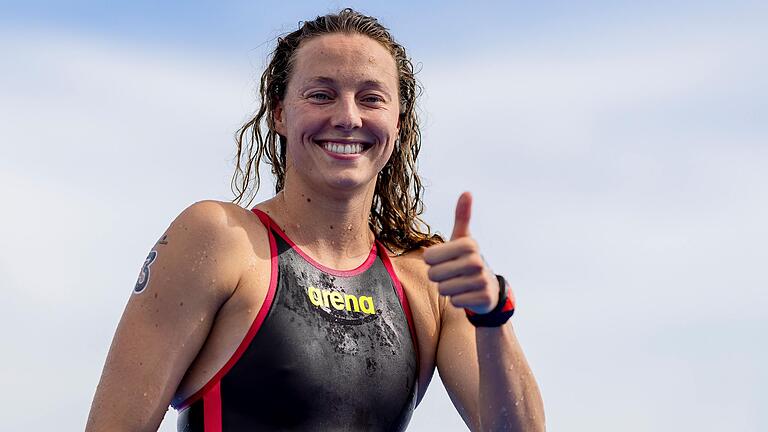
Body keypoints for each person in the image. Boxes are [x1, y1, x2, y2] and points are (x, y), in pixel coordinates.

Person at [86, 8, 545, 432]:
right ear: (281, 114)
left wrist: (493, 316)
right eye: (321, 95)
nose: (347, 117)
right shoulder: (219, 241)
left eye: (371, 98)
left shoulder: (426, 281)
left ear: (398, 122)